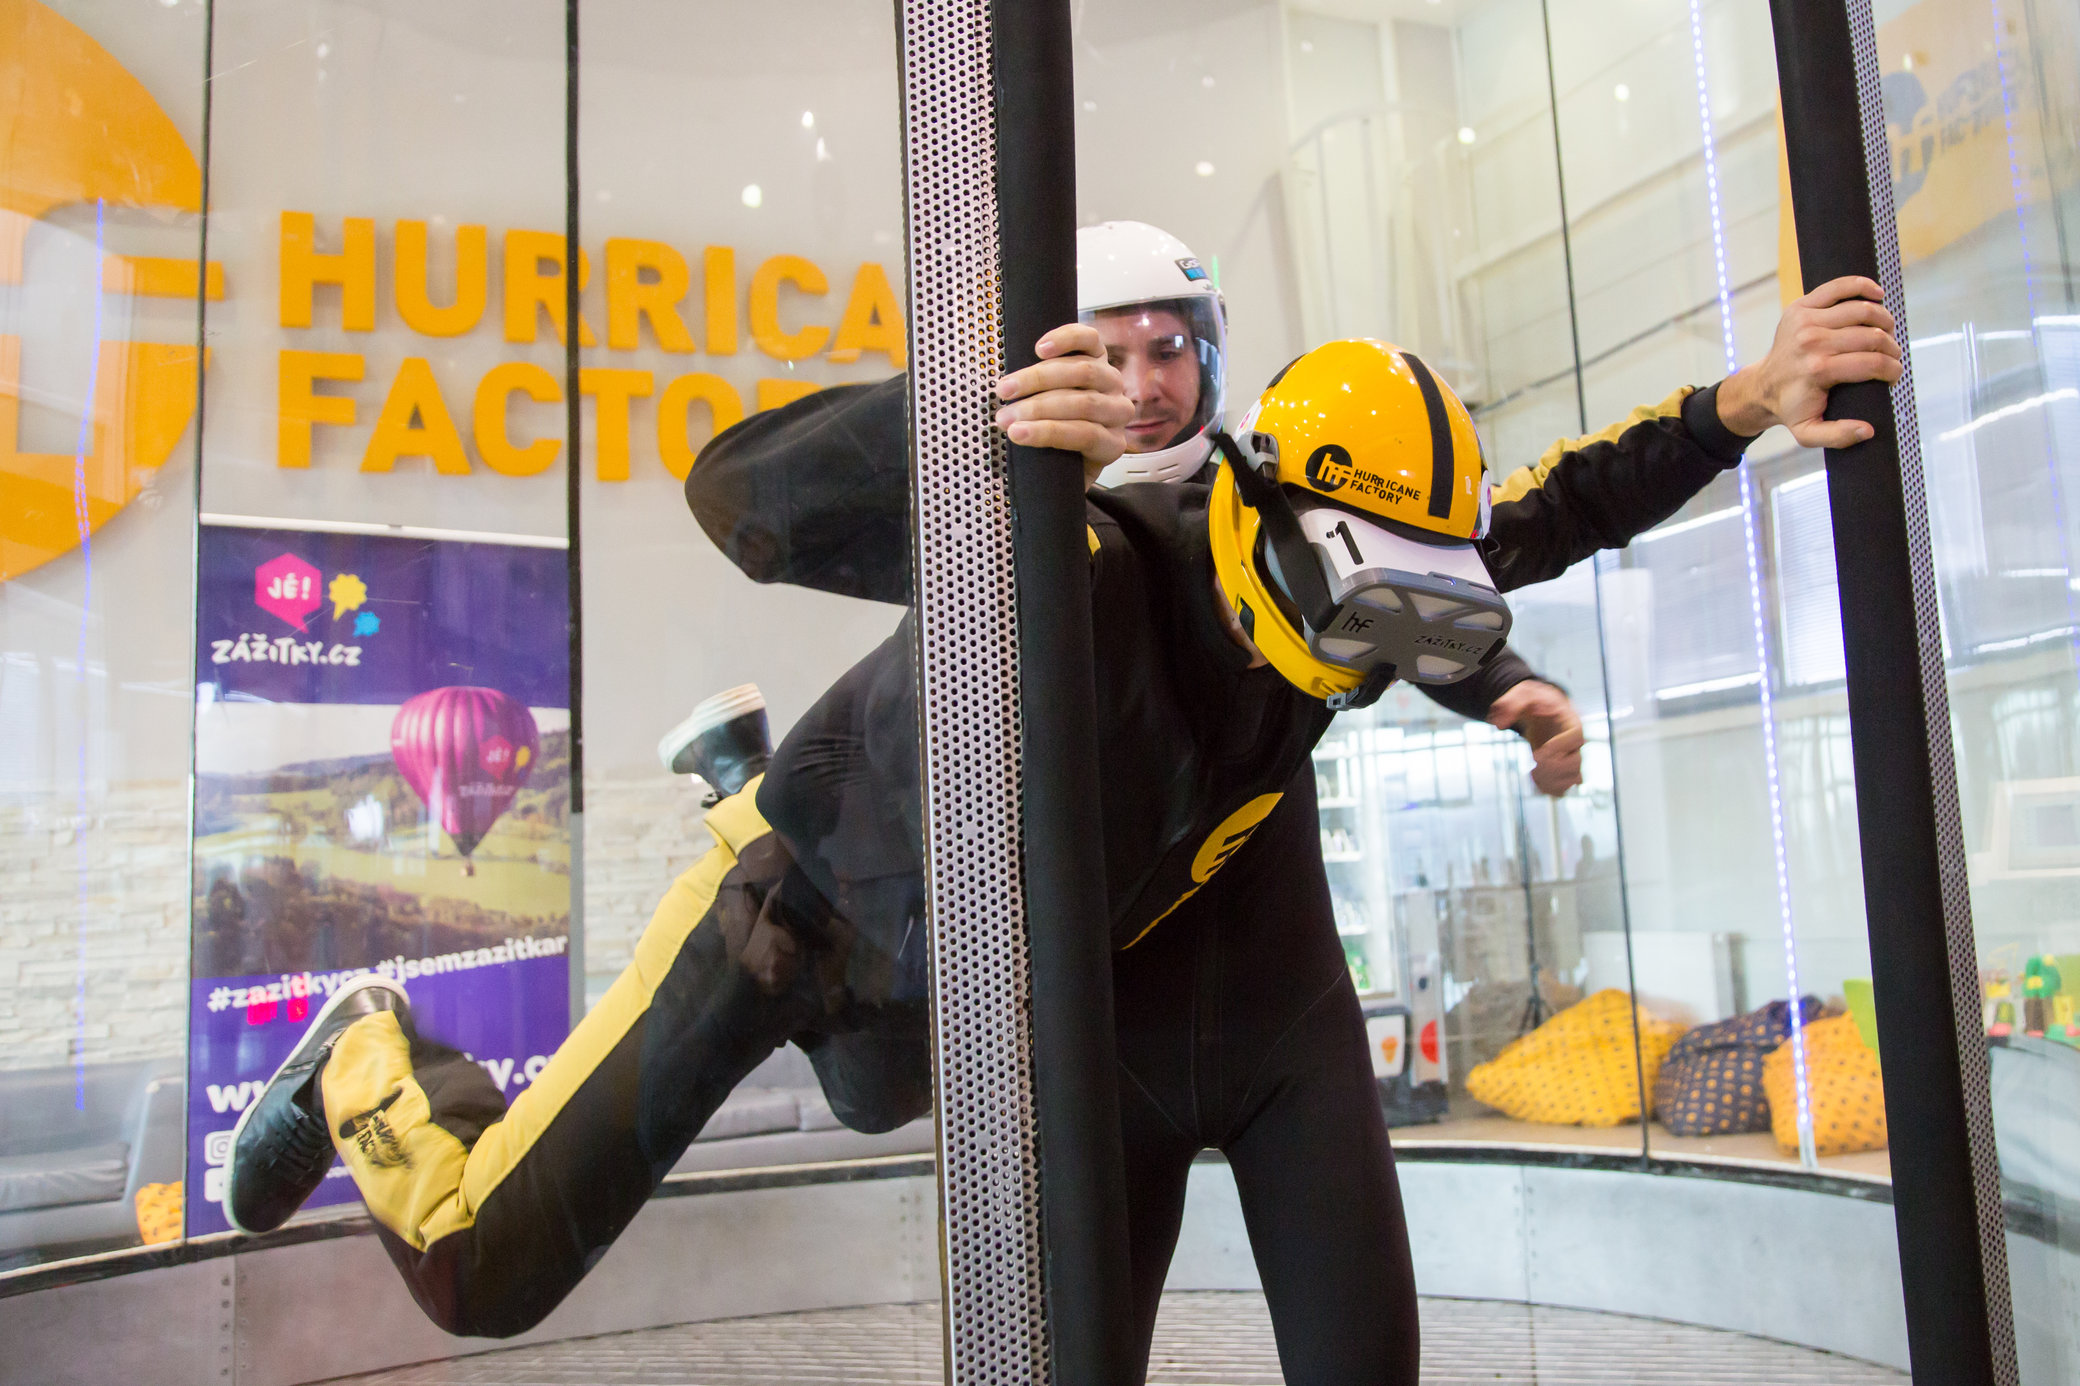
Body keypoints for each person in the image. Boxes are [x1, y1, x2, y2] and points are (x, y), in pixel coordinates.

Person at [227, 270, 1901, 1380]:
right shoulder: (1073, 564)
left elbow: (1542, 518)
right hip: (787, 918)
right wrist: (963, 427)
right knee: (484, 1262)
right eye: (1361, 600)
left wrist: (1738, 407)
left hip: (939, 1002)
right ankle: (365, 1043)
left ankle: (735, 772)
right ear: (1269, 515)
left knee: (875, 1092)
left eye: (1417, 617)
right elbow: (739, 495)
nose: (1366, 655)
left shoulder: (1330, 631)